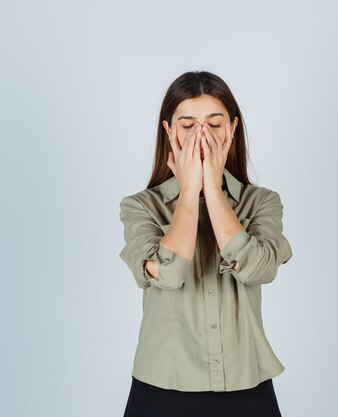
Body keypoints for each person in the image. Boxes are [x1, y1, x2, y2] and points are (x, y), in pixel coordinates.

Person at [118, 70, 293, 417]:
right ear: (169, 131)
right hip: (162, 386)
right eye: (188, 125)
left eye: (214, 125)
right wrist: (188, 193)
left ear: (232, 129)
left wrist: (212, 189)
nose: (202, 137)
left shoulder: (262, 203)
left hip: (246, 385)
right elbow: (167, 275)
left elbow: (259, 268)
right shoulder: (140, 207)